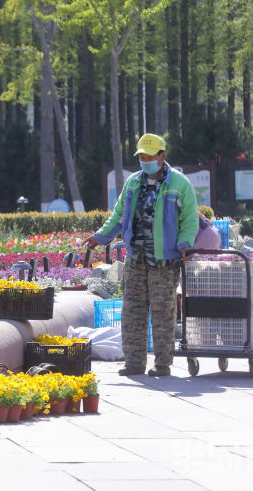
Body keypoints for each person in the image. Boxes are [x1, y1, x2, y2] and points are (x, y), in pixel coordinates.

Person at [85, 133, 199, 377]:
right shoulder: (133, 183)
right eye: (142, 157)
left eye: (149, 157)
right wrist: (99, 237)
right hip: (136, 260)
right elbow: (118, 217)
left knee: (162, 313)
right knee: (133, 312)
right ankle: (134, 363)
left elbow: (189, 219)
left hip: (164, 262)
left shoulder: (180, 184)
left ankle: (162, 365)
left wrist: (185, 244)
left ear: (162, 156)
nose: (145, 161)